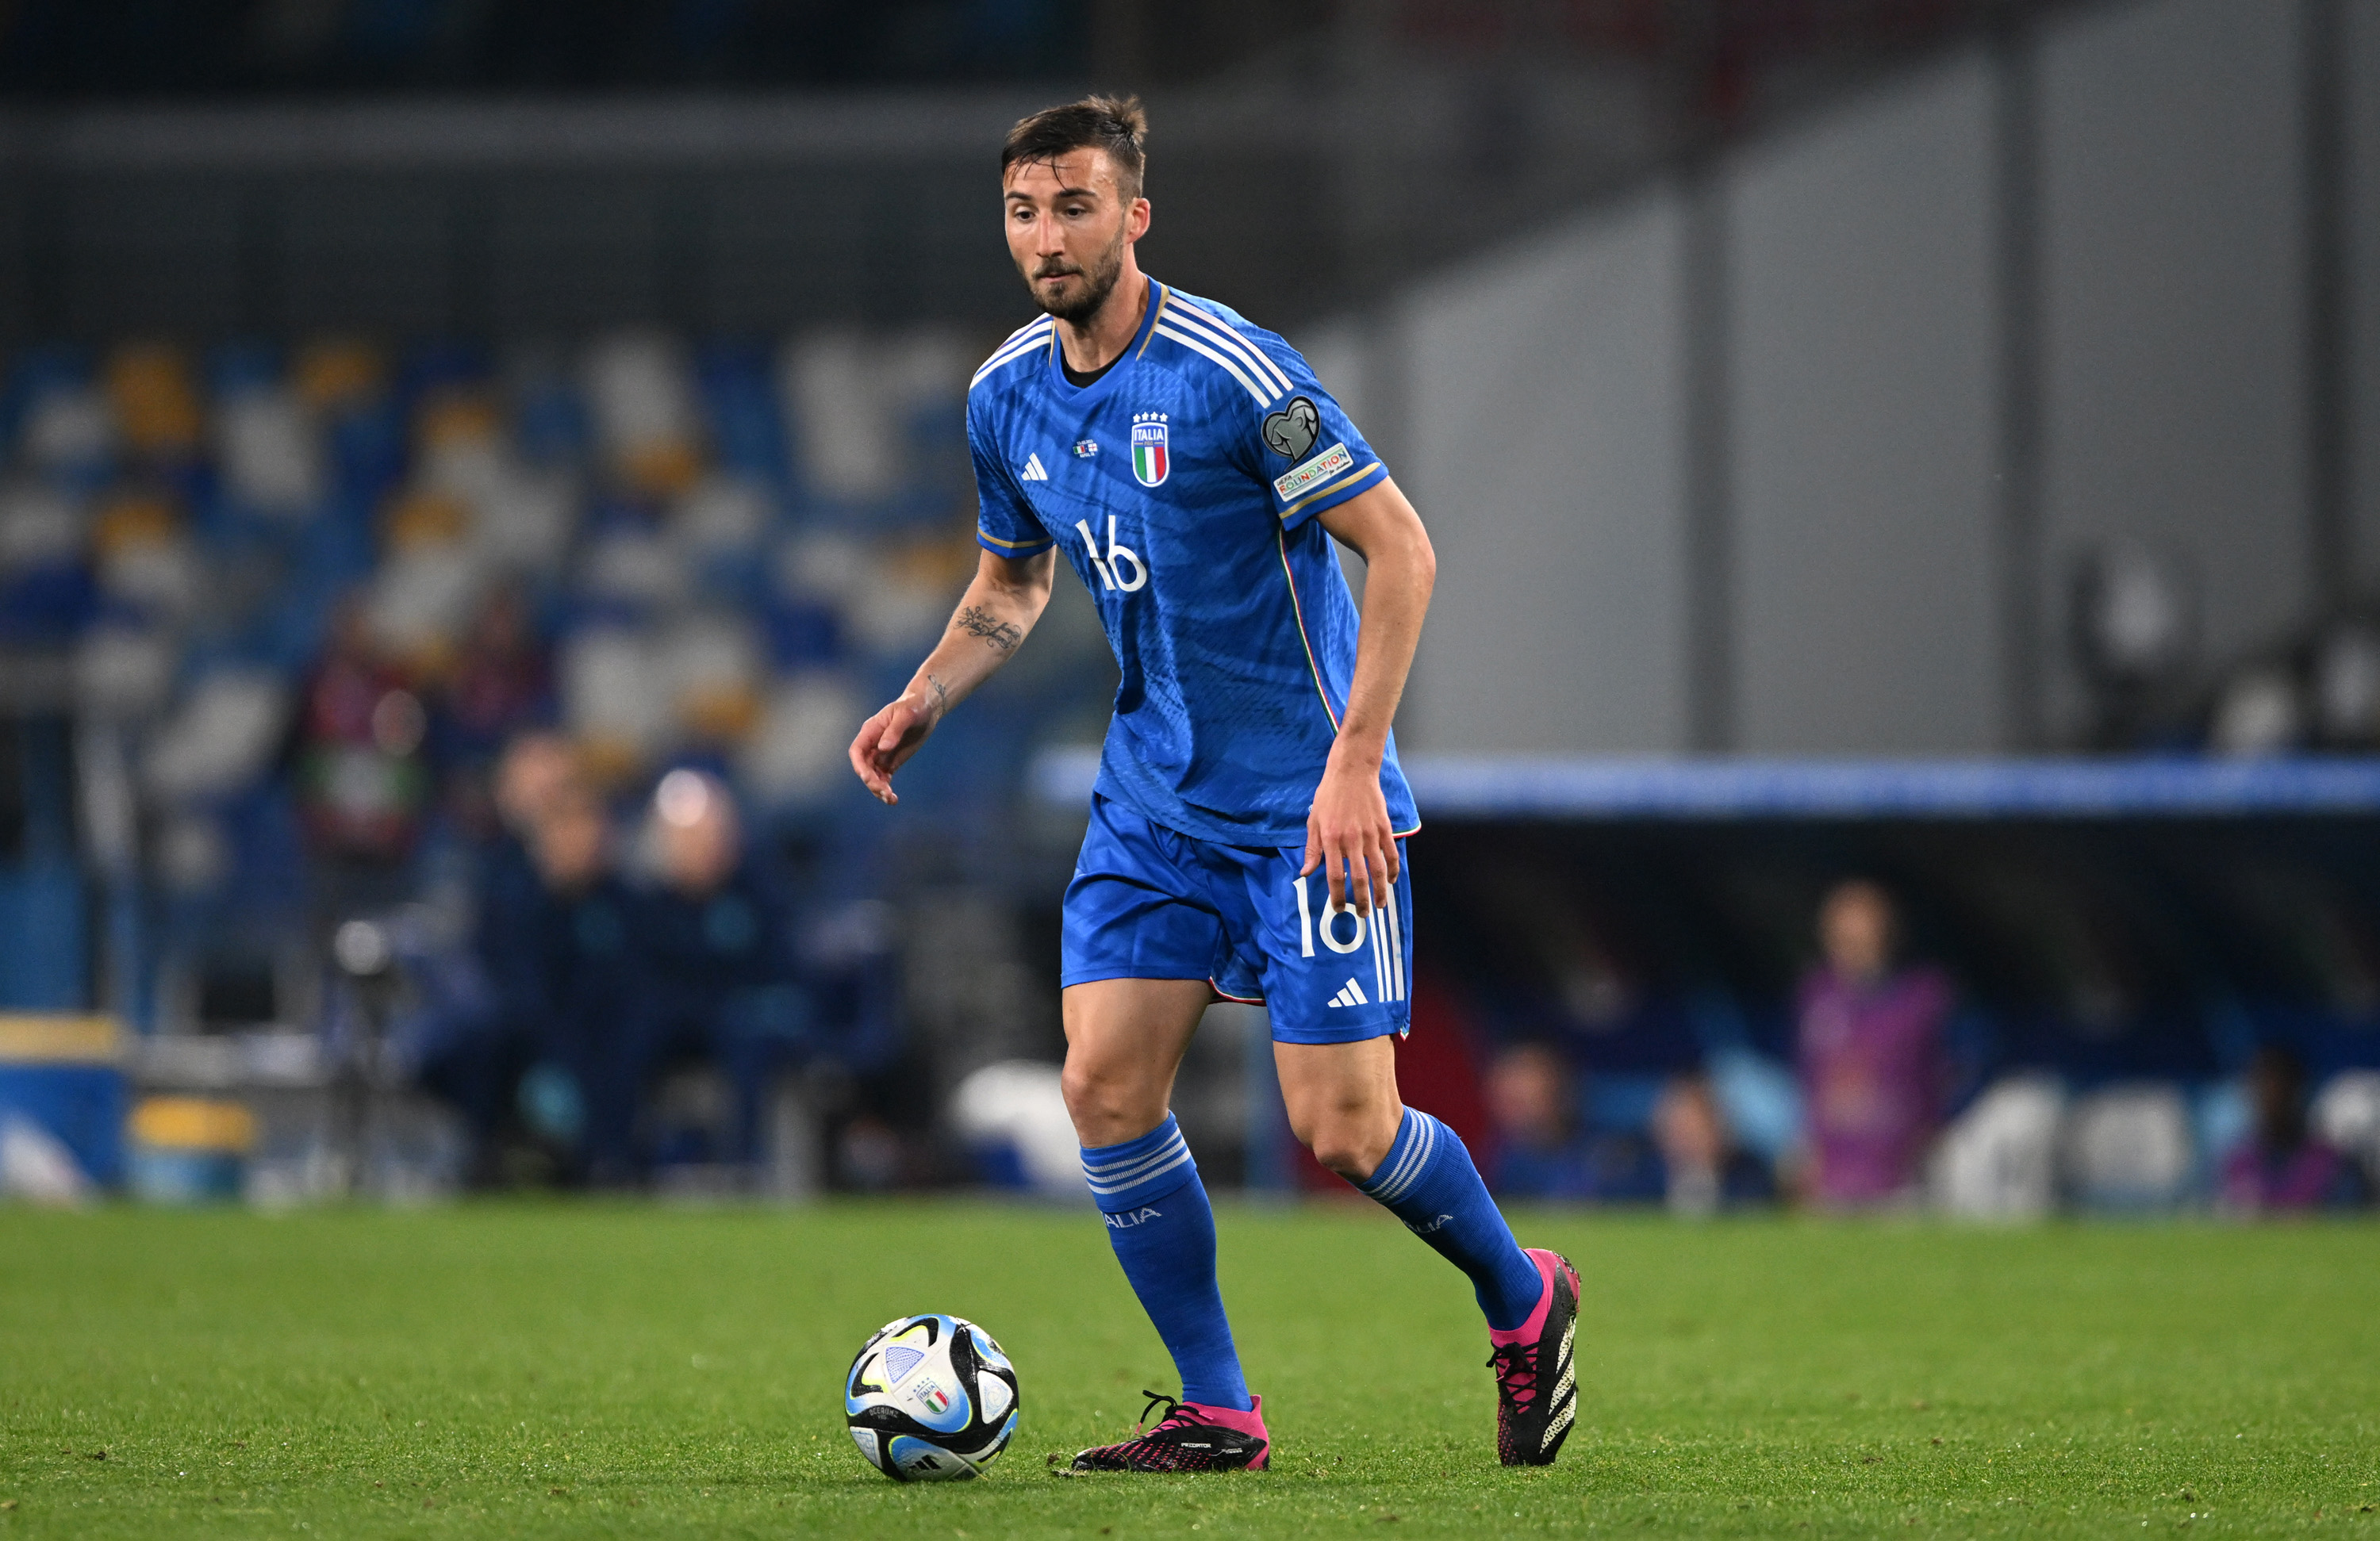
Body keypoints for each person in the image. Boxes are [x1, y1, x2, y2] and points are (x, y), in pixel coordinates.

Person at [847, 96, 1576, 1474]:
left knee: (1343, 1129)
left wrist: (1356, 764)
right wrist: (924, 695)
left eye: (1074, 205)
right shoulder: (1003, 393)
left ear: (1134, 215)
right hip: (1150, 803)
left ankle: (1523, 1294)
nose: (1046, 234)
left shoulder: (1234, 373)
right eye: (1022, 209)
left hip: (1311, 806)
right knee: (1103, 1088)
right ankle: (1219, 1406)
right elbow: (1013, 579)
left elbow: (1403, 549)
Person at [1794, 880, 1952, 1209]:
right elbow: (1809, 1082)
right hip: (1834, 1179)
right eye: (1843, 939)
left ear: (1888, 936)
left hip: (1905, 1178)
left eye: (1864, 939)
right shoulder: (1817, 996)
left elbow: (1952, 1073)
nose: (1853, 950)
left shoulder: (1924, 997)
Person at [2220, 1046, 2366, 1213]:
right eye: (2264, 1085)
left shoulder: (2328, 1161)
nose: (2272, 1097)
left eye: (2280, 1086)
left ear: (2297, 1089)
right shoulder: (2239, 1161)